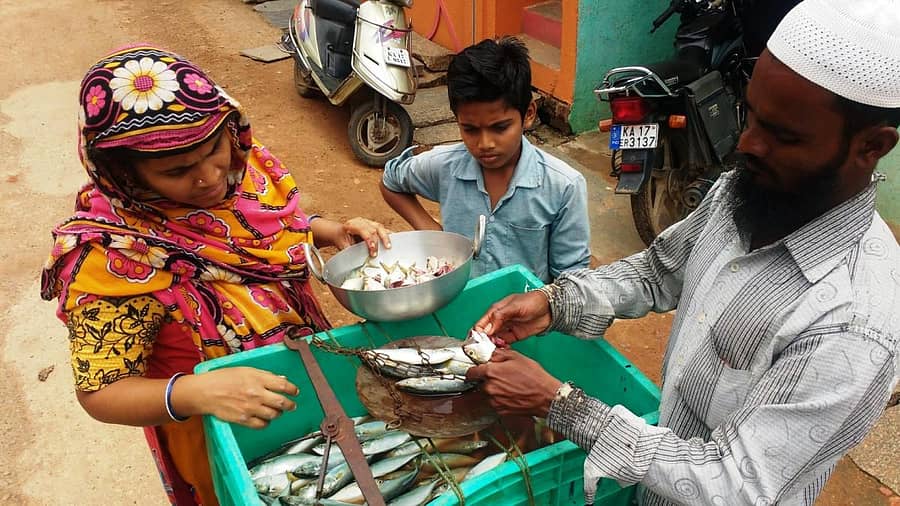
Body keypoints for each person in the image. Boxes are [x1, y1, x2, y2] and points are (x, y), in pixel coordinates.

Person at [466, 1, 900, 504]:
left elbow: (738, 484)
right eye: (750, 114)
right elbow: (657, 271)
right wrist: (555, 302)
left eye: (783, 136)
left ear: (871, 146)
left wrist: (561, 405)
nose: (747, 145)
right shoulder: (747, 190)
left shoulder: (856, 325)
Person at [39, 44, 391, 506]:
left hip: (311, 386)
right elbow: (101, 392)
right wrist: (197, 392)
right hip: (219, 431)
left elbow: (275, 228)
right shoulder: (111, 258)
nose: (209, 178)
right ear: (125, 176)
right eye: (177, 171)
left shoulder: (244, 171)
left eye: (213, 151)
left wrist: (328, 230)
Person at [380, 36, 591, 283]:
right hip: (458, 308)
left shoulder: (563, 186)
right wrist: (434, 234)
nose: (485, 144)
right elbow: (391, 181)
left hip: (525, 318)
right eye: (470, 129)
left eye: (500, 127)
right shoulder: (445, 166)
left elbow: (571, 281)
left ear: (528, 114)